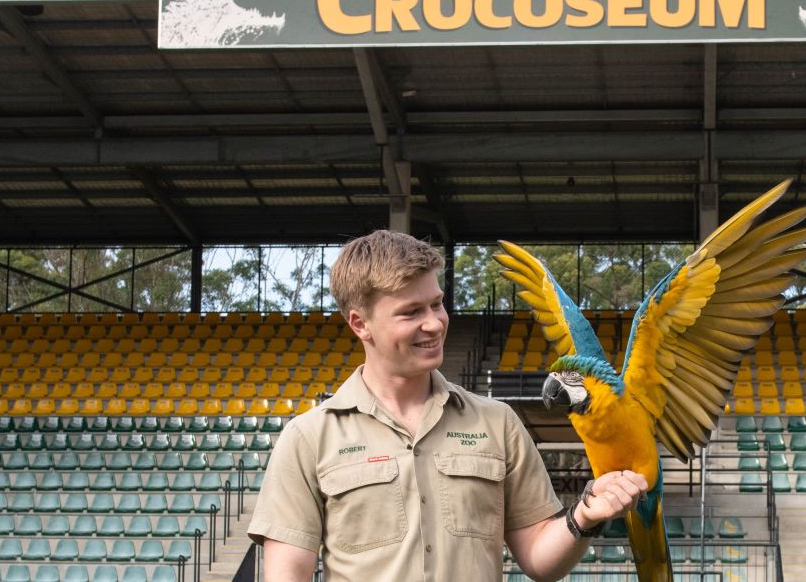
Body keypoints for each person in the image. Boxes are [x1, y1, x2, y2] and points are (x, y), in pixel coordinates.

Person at [248, 230, 648, 581]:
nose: (435, 323)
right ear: (360, 324)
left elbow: (540, 559)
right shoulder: (308, 438)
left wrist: (584, 515)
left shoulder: (497, 422)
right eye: (411, 312)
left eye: (437, 304)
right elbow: (287, 574)